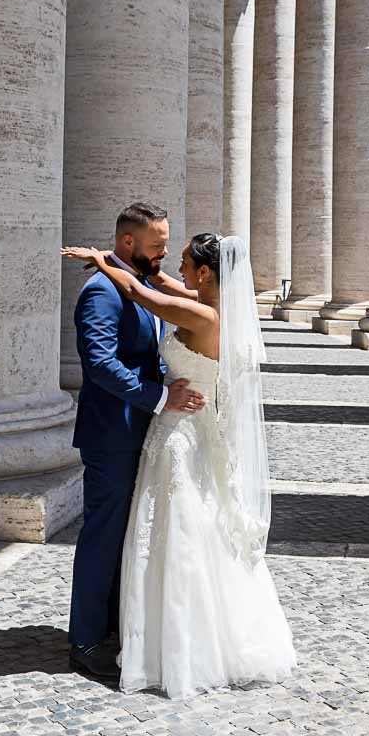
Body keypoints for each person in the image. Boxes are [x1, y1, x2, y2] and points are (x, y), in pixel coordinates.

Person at [62, 231, 296, 700]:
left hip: (180, 434)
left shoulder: (199, 312)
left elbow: (138, 292)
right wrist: (146, 267)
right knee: (189, 526)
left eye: (187, 260)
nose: (179, 266)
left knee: (175, 529)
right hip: (186, 428)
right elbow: (165, 284)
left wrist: (105, 261)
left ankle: (168, 637)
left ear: (206, 272)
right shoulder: (207, 303)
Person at [66, 203, 206, 679]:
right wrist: (161, 395)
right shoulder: (100, 291)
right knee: (102, 536)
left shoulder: (141, 281)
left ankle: (114, 625)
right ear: (127, 243)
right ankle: (85, 641)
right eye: (156, 244)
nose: (164, 252)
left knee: (128, 535)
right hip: (112, 435)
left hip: (141, 430)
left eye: (167, 243)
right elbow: (101, 365)